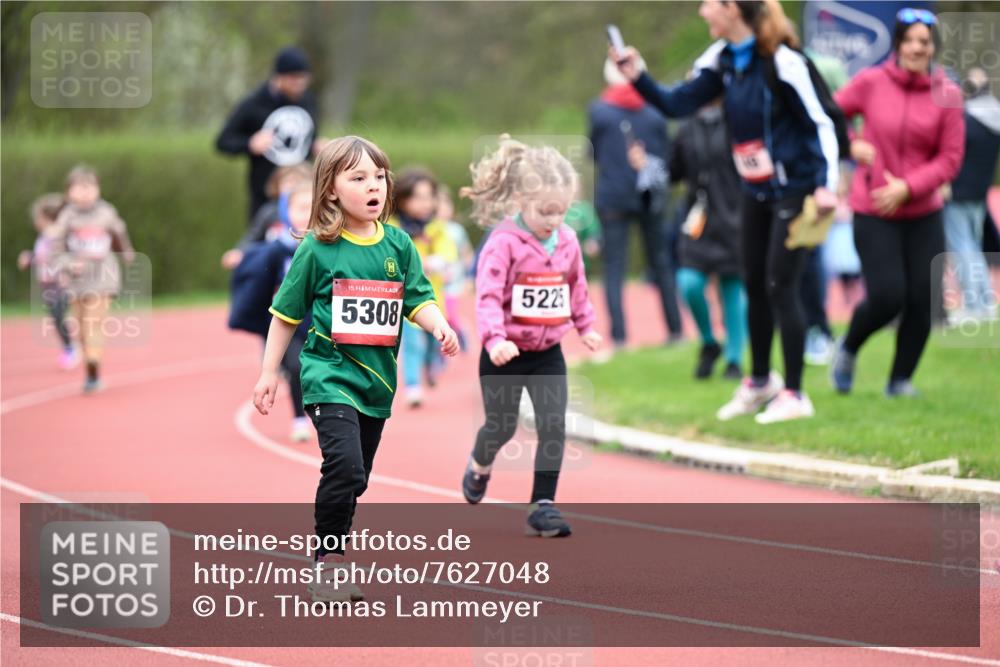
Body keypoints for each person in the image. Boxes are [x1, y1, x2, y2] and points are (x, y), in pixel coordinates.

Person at [252, 136, 459, 602]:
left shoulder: (400, 244)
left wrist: (439, 323)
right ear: (331, 190)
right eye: (358, 177)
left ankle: (336, 551)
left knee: (357, 475)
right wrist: (268, 372)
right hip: (328, 376)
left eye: (380, 177)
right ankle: (328, 562)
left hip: (377, 381)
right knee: (344, 467)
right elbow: (285, 314)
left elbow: (418, 297)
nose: (374, 186)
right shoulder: (318, 249)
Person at [616, 0, 841, 423]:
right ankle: (760, 382)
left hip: (796, 190)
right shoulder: (720, 60)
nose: (702, 12)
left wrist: (827, 186)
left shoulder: (785, 62)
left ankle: (794, 393)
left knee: (781, 285)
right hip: (753, 191)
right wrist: (638, 77)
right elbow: (676, 104)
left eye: (709, 5)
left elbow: (823, 122)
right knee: (754, 281)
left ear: (733, 9)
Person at [460, 136, 602, 537]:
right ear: (521, 199)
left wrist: (585, 325)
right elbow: (486, 296)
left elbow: (576, 286)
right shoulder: (503, 243)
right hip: (504, 352)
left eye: (562, 211)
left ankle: (543, 506)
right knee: (501, 427)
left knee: (554, 425)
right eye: (546, 211)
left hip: (546, 352)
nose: (555, 220)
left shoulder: (568, 240)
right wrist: (495, 338)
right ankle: (479, 463)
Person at [830, 8, 965, 397]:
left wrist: (908, 186)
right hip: (874, 210)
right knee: (889, 296)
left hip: (923, 211)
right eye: (909, 40)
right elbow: (829, 114)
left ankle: (899, 381)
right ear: (898, 44)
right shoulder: (870, 83)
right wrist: (850, 145)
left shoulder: (948, 95)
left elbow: (950, 159)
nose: (916, 48)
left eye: (924, 41)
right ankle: (849, 347)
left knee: (924, 300)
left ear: (933, 47)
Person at [588, 57, 684, 350]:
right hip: (649, 196)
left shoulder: (599, 111)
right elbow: (667, 154)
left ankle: (619, 337)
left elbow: (592, 152)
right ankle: (675, 331)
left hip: (612, 196)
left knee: (614, 267)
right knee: (661, 263)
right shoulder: (655, 111)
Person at [229, 180, 314, 442]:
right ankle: (300, 419)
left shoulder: (330, 247)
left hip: (320, 322)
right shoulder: (277, 250)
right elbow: (259, 284)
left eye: (314, 207)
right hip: (288, 323)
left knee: (319, 372)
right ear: (286, 212)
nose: (308, 214)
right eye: (301, 208)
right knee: (296, 367)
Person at [669, 99, 747, 380]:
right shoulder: (687, 127)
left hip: (735, 218)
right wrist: (648, 164)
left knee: (732, 289)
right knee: (689, 283)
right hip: (697, 220)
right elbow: (672, 171)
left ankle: (734, 359)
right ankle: (709, 342)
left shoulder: (738, 120)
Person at [51, 166, 135, 393]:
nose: (85, 192)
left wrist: (126, 251)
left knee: (94, 323)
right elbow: (55, 248)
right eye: (79, 187)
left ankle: (94, 363)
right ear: (69, 192)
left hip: (103, 278)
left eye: (90, 187)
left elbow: (119, 234)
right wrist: (69, 263)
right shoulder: (66, 217)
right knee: (79, 327)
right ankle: (90, 362)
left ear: (98, 189)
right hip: (77, 281)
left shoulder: (107, 212)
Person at [216, 47, 324, 221]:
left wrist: (315, 144)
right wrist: (250, 144)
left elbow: (308, 137)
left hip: (302, 192)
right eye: (294, 78)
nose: (300, 84)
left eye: (303, 78)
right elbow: (222, 142)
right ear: (278, 77)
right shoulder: (253, 104)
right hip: (265, 196)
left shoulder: (308, 100)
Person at [387, 168, 458, 407]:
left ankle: (430, 365)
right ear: (403, 198)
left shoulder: (436, 227)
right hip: (403, 299)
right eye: (418, 197)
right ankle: (413, 386)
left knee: (431, 343)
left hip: (432, 298)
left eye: (429, 197)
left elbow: (448, 251)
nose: (424, 203)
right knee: (411, 343)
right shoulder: (393, 226)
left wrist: (437, 262)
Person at [943, 67, 1000, 322]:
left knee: (962, 247)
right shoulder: (994, 119)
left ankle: (975, 305)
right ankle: (986, 300)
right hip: (979, 193)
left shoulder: (966, 120)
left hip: (957, 192)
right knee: (973, 246)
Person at [17, 193, 76, 370]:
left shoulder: (56, 234)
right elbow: (43, 257)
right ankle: (69, 347)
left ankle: (70, 348)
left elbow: (58, 255)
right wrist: (30, 258)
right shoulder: (43, 236)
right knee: (56, 318)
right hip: (48, 284)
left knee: (58, 315)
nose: (35, 222)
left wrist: (31, 258)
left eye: (38, 217)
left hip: (61, 283)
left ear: (47, 217)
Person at [220, 163, 314, 269]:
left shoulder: (319, 212)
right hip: (273, 267)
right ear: (277, 185)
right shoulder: (269, 212)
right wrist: (239, 251)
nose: (292, 187)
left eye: (298, 182)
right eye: (288, 182)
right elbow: (253, 236)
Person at [437, 184, 474, 351]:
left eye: (446, 205)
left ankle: (461, 330)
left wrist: (469, 277)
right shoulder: (428, 231)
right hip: (435, 283)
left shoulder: (456, 230)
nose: (442, 210)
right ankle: (440, 354)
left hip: (454, 283)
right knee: (438, 319)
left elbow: (467, 253)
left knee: (450, 315)